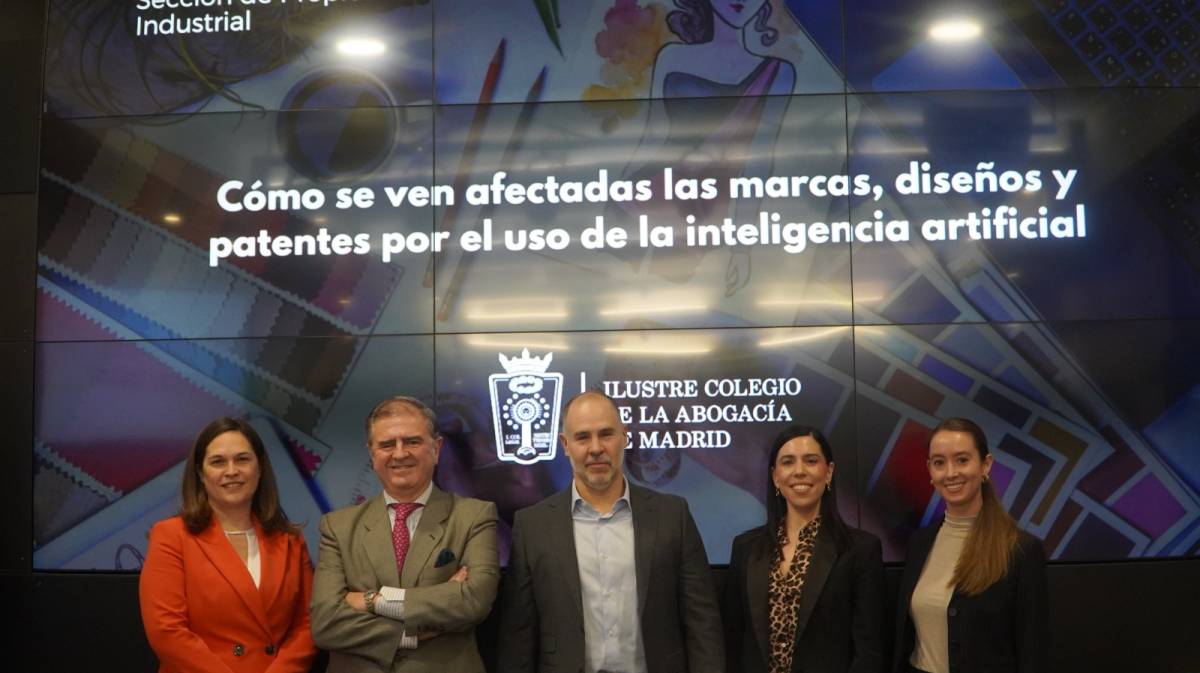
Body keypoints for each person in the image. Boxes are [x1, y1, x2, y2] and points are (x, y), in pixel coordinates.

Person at [497, 390, 724, 673]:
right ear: (565, 444)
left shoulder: (672, 515)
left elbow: (702, 622)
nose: (595, 448)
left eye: (606, 434)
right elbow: (518, 636)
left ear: (624, 436)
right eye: (582, 437)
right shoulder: (533, 526)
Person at [310, 396, 499, 672]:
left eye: (412, 441)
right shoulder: (337, 527)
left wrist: (372, 600)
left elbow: (473, 601)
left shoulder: (474, 517)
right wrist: (406, 635)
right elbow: (325, 624)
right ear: (372, 454)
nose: (399, 454)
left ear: (436, 448)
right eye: (387, 444)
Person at [139, 417, 317, 673]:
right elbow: (166, 630)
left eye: (242, 459)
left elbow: (307, 625)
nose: (231, 471)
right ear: (200, 473)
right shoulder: (170, 536)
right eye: (218, 462)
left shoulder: (290, 540)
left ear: (259, 468)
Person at [723, 424, 886, 673]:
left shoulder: (861, 550)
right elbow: (733, 639)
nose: (799, 471)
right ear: (775, 476)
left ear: (828, 472)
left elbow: (870, 651)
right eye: (788, 462)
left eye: (811, 461)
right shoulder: (745, 548)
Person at [893, 418, 1049, 673]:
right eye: (939, 462)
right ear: (930, 470)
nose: (951, 473)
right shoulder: (919, 543)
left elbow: (1033, 650)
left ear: (985, 464)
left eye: (962, 460)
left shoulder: (1020, 549)